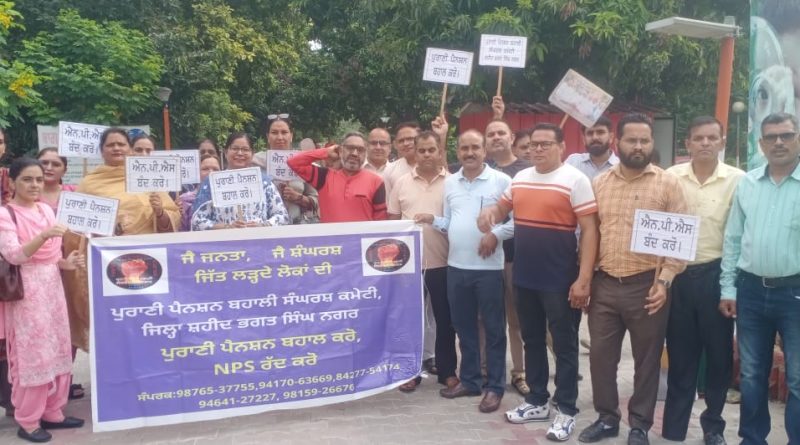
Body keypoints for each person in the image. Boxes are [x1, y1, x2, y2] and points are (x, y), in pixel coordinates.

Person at [480, 122, 599, 441]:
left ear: (561, 147)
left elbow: (590, 230)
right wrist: (490, 213)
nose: (538, 149)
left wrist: (584, 278)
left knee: (564, 345)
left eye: (546, 144)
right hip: (525, 275)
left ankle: (567, 409)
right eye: (534, 144)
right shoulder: (520, 178)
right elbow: (502, 207)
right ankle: (537, 400)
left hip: (560, 278)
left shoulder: (575, 180)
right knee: (531, 339)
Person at [578, 113, 687, 445]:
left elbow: (679, 242)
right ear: (617, 142)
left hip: (648, 286)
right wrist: (585, 280)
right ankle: (607, 418)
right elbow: (590, 236)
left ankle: (639, 425)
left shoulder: (668, 184)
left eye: (644, 140)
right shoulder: (600, 184)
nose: (638, 146)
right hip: (605, 284)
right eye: (631, 140)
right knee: (601, 357)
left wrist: (664, 282)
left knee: (647, 360)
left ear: (651, 143)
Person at [416, 129, 512, 414]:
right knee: (464, 328)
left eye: (475, 148)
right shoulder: (451, 183)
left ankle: (495, 386)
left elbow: (518, 221)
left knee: (494, 330)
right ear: (457, 152)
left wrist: (496, 234)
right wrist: (433, 220)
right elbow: (450, 221)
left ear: (484, 151)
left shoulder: (502, 181)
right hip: (456, 267)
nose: (469, 153)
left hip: (489, 269)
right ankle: (470, 380)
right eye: (464, 148)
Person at [661, 116, 744, 445]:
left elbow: (739, 235)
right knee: (681, 355)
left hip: (717, 275)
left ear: (722, 141)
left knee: (719, 357)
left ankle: (713, 427)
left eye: (712, 138)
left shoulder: (738, 180)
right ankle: (674, 429)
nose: (705, 143)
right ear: (688, 143)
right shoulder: (670, 177)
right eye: (699, 138)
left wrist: (730, 286)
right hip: (678, 275)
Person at [719, 112, 800, 445]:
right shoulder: (748, 184)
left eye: (786, 135)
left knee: (798, 378)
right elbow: (733, 239)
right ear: (761, 144)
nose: (779, 142)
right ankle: (753, 439)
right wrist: (728, 288)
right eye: (771, 137)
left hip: (795, 293)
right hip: (750, 291)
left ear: (798, 139)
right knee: (751, 374)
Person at [61, 128, 181, 353]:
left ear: (130, 149)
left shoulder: (147, 178)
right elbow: (74, 229)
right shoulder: (89, 183)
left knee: (149, 319)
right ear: (102, 151)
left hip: (150, 264)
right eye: (110, 145)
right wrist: (101, 231)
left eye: (121, 144)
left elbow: (174, 217)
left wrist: (160, 212)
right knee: (116, 322)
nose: (116, 148)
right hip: (110, 268)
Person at [0, 157, 86, 443]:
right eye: (27, 179)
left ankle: (53, 412)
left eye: (38, 179)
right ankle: (28, 420)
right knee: (33, 355)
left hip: (52, 290)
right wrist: (44, 235)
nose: (35, 184)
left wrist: (67, 263)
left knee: (58, 348)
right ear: (13, 182)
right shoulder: (5, 215)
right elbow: (14, 255)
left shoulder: (47, 211)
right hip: (27, 294)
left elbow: (53, 256)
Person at [387, 131, 457, 392]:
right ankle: (410, 371)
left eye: (431, 150)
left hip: (444, 262)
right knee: (410, 321)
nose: (427, 154)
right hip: (409, 266)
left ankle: (447, 371)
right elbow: (392, 223)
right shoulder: (401, 183)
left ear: (440, 151)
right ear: (414, 153)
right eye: (422, 150)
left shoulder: (453, 183)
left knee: (445, 320)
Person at [483, 115, 531, 397]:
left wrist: (498, 234)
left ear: (512, 137)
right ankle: (487, 370)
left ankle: (520, 373)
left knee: (517, 321)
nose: (496, 137)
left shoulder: (526, 170)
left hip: (517, 256)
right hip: (484, 258)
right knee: (488, 319)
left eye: (501, 132)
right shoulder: (481, 170)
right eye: (490, 134)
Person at [566, 116, 619, 351]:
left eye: (600, 132)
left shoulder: (621, 167)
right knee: (570, 312)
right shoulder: (572, 164)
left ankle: (600, 352)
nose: (595, 137)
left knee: (601, 314)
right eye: (590, 132)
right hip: (572, 248)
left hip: (608, 253)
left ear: (612, 136)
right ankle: (569, 359)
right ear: (583, 137)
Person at [191, 132, 289, 230]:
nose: (240, 153)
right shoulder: (213, 182)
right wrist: (226, 227)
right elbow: (197, 221)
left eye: (245, 149)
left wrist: (262, 225)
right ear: (226, 152)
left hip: (259, 238)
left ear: (252, 154)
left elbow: (282, 216)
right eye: (235, 149)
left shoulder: (264, 182)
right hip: (223, 239)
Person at [287, 132, 387, 222]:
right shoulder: (324, 177)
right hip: (331, 237)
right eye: (350, 148)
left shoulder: (376, 182)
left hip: (362, 237)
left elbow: (380, 222)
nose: (354, 153)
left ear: (365, 154)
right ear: (341, 150)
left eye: (360, 150)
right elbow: (293, 162)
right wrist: (326, 152)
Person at [264, 116, 319, 224]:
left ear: (291, 136)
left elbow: (316, 201)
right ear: (268, 136)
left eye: (284, 132)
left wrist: (298, 198)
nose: (280, 137)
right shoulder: (256, 161)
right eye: (274, 133)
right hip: (267, 228)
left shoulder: (303, 162)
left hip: (298, 226)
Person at [177, 154, 221, 231]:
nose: (211, 172)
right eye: (205, 169)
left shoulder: (227, 200)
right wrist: (177, 214)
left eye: (215, 169)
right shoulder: (184, 200)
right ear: (197, 173)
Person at [382, 122, 420, 197]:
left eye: (410, 139)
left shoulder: (431, 167)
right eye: (401, 141)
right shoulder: (389, 171)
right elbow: (388, 201)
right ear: (395, 145)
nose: (406, 143)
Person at [35, 148, 76, 214]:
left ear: (64, 171)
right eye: (44, 163)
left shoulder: (74, 192)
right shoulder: (25, 193)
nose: (49, 168)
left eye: (56, 164)